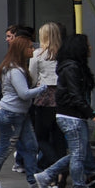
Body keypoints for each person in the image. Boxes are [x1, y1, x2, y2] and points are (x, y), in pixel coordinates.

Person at [37, 34, 95, 188]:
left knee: (77, 153)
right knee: (78, 154)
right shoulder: (72, 68)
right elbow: (76, 96)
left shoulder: (70, 67)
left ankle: (46, 176)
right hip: (71, 116)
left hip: (70, 115)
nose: (90, 47)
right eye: (87, 44)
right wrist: (93, 114)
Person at [0, 33, 50, 188]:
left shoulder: (16, 68)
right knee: (5, 148)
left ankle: (34, 184)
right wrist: (43, 88)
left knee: (31, 147)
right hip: (10, 114)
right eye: (29, 47)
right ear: (21, 49)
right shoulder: (15, 70)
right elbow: (24, 93)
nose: (32, 49)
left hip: (19, 113)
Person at [29, 22, 68, 174]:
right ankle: (62, 174)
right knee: (58, 136)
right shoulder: (64, 53)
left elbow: (32, 78)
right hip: (62, 96)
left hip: (44, 97)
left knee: (40, 136)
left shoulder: (37, 54)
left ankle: (57, 166)